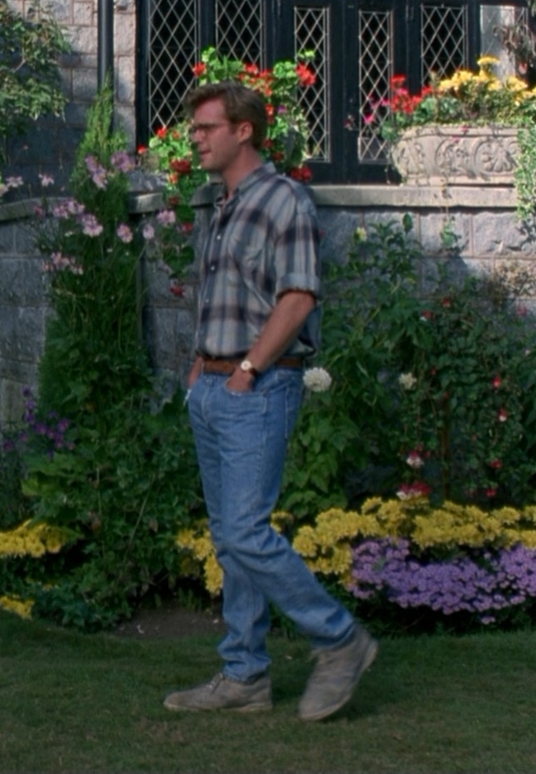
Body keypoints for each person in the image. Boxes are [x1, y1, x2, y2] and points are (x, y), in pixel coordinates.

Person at [163, 81, 377, 722]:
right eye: (194, 128)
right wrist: (204, 368)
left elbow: (297, 297)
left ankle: (340, 640)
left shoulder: (284, 200)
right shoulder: (222, 205)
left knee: (248, 534)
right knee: (230, 542)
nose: (194, 138)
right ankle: (245, 675)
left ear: (244, 130)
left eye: (206, 128)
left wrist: (249, 368)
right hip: (215, 388)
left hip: (259, 388)